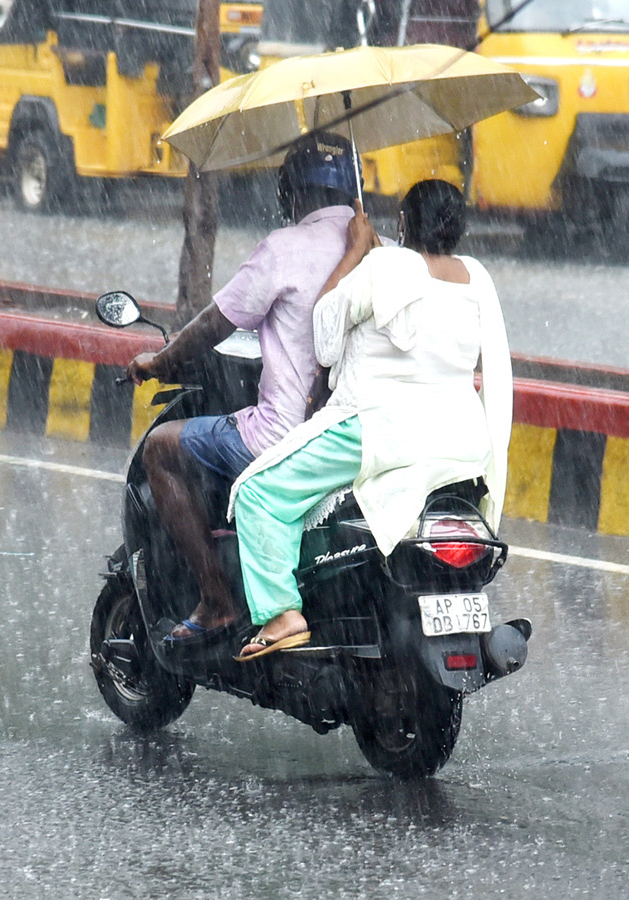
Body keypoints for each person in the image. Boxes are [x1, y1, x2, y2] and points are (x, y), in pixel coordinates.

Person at [228, 180, 513, 660]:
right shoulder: (478, 278)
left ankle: (282, 614)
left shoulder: (383, 267)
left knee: (258, 494)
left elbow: (324, 336)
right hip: (461, 441)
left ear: (403, 224)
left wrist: (357, 251)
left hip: (380, 432)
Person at [125, 133, 360, 645]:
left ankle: (216, 601)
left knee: (163, 449)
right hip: (355, 432)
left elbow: (216, 323)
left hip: (285, 437)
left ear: (291, 193)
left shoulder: (284, 248)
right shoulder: (380, 250)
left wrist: (159, 361)